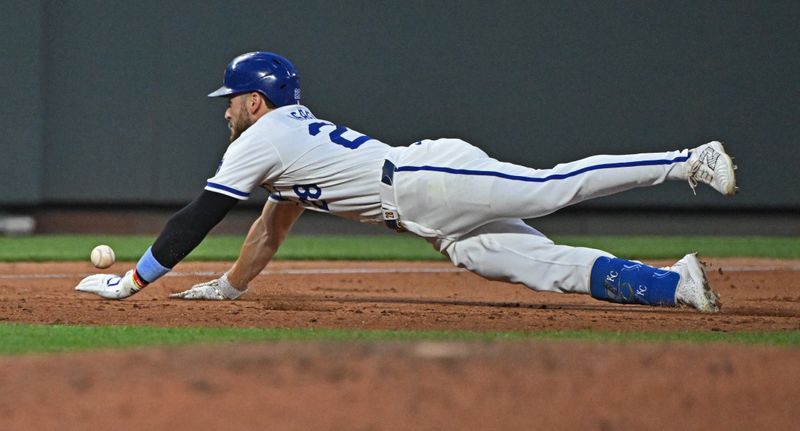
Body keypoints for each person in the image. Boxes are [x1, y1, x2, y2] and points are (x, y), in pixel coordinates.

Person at [76, 51, 737, 312]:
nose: (225, 107)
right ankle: (677, 284)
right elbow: (268, 227)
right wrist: (229, 285)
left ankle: (690, 159)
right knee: (548, 268)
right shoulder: (282, 145)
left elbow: (198, 214)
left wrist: (132, 281)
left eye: (233, 97)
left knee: (549, 186)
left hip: (425, 178)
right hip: (426, 216)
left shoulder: (264, 137)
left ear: (257, 100)